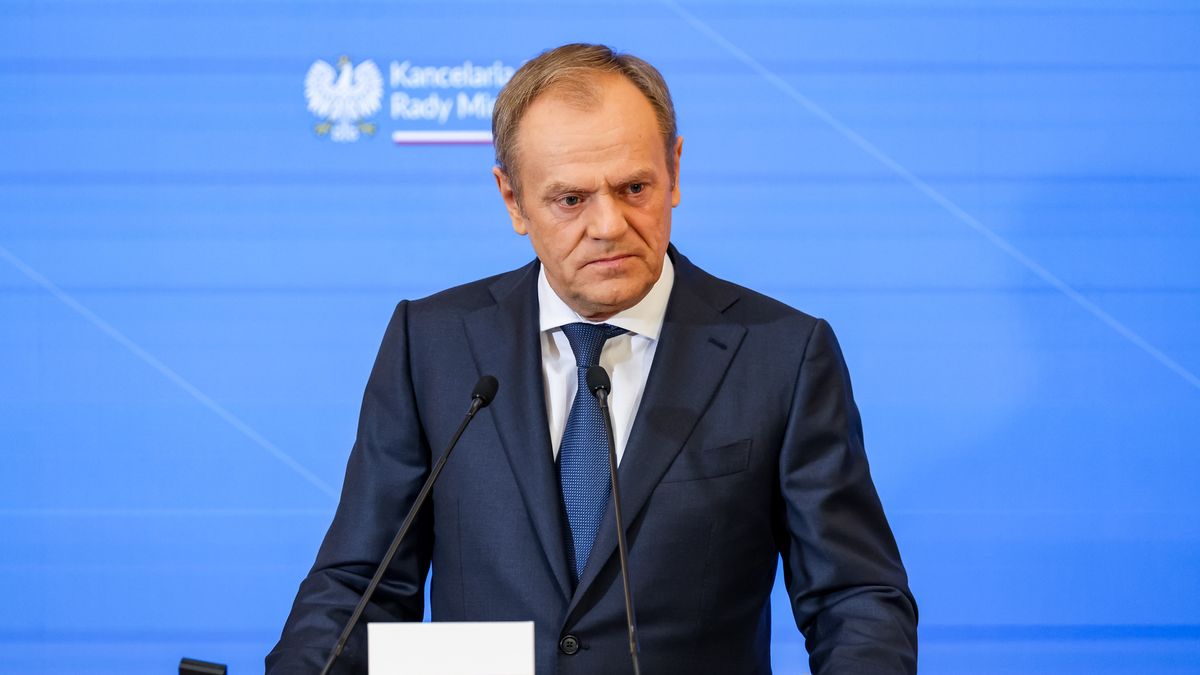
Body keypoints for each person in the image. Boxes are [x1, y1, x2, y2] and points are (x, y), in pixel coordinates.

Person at [267, 43, 917, 675]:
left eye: (634, 187)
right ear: (512, 200)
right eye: (571, 199)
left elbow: (854, 599)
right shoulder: (431, 344)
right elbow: (359, 587)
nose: (608, 224)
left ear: (676, 172)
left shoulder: (781, 353)